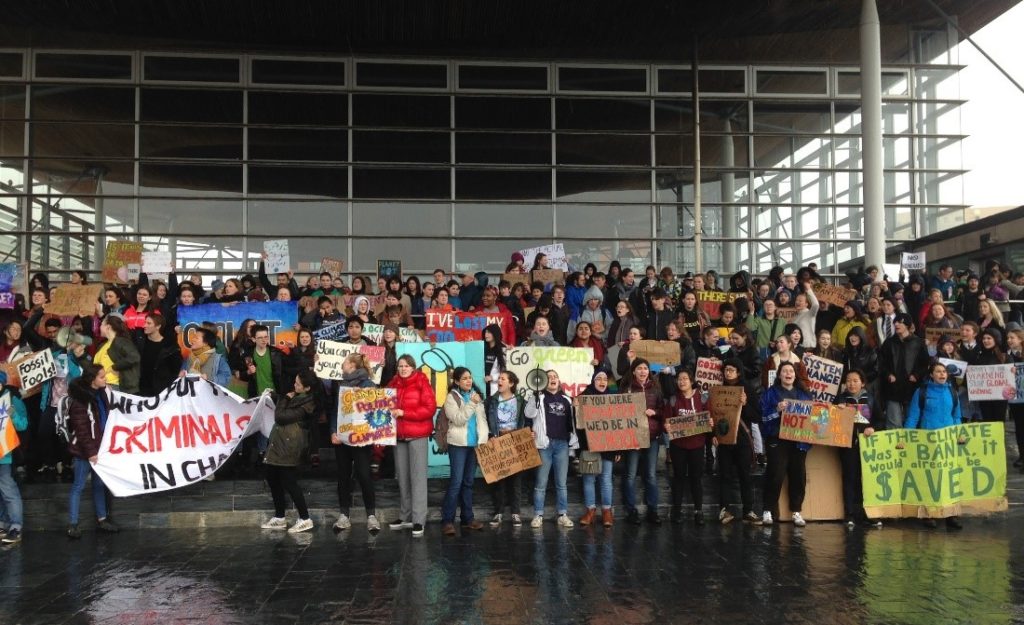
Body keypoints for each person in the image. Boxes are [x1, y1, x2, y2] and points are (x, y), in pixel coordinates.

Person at [904, 362, 965, 529]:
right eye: (938, 371)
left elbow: (957, 416)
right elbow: (913, 416)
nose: (942, 374)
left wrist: (960, 434)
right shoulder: (921, 392)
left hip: (948, 442)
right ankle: (928, 514)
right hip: (927, 441)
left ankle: (951, 514)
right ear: (931, 374)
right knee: (929, 479)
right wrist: (905, 437)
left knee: (949, 478)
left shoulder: (953, 392)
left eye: (944, 371)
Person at [260, 369, 319, 534]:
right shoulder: (296, 397)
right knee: (272, 477)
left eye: (298, 383)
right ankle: (279, 516)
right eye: (295, 381)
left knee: (289, 481)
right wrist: (275, 396)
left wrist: (284, 398)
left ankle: (305, 518)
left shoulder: (307, 404)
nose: (294, 385)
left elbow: (280, 416)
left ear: (307, 388)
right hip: (279, 443)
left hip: (289, 445)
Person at [65, 366, 119, 539]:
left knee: (98, 484)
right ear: (92, 380)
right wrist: (91, 452)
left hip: (100, 448)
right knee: (78, 485)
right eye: (102, 377)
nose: (105, 379)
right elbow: (82, 431)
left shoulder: (102, 394)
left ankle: (102, 519)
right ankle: (73, 524)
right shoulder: (80, 401)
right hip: (86, 452)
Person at [329, 354, 380, 532]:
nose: (342, 365)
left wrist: (364, 398)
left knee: (364, 475)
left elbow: (375, 409)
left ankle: (371, 516)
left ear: (351, 365)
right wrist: (333, 431)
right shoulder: (340, 384)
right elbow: (335, 409)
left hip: (361, 439)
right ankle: (344, 515)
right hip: (342, 438)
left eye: (344, 362)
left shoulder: (368, 384)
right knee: (343, 476)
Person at [387, 355, 436, 537]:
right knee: (403, 478)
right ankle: (405, 516)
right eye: (400, 366)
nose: (403, 369)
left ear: (413, 367)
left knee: (418, 479)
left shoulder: (422, 382)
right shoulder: (393, 383)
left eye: (406, 366)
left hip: (417, 435)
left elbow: (429, 408)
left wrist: (404, 413)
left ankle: (418, 520)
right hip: (398, 436)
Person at [760, 361, 813, 527]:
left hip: (798, 442)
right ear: (779, 375)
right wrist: (777, 410)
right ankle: (768, 510)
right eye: (785, 371)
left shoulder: (804, 395)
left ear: (795, 375)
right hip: (777, 439)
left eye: (791, 371)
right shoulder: (770, 394)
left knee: (798, 475)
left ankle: (796, 511)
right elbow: (762, 418)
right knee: (775, 474)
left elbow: (814, 418)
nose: (788, 373)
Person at [440, 367, 489, 536]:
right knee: (456, 482)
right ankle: (447, 520)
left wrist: (484, 438)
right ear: (456, 382)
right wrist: (472, 403)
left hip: (474, 445)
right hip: (458, 445)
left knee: (469, 482)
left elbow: (481, 420)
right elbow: (459, 419)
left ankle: (468, 518)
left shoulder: (476, 395)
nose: (469, 381)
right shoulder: (451, 398)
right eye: (464, 378)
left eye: (470, 377)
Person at [526, 369, 577, 528]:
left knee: (561, 483)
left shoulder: (567, 399)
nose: (552, 379)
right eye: (549, 377)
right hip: (544, 445)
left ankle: (562, 514)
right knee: (541, 482)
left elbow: (573, 422)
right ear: (543, 381)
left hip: (562, 444)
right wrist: (535, 396)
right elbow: (529, 414)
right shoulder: (537, 397)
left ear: (559, 380)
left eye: (555, 376)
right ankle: (538, 515)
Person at [835, 369, 882, 528]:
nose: (851, 383)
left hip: (868, 446)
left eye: (855, 380)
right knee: (849, 479)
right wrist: (836, 411)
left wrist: (873, 428)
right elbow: (828, 423)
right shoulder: (840, 399)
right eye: (848, 380)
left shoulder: (871, 399)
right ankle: (850, 515)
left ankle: (870, 514)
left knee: (868, 480)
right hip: (848, 445)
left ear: (862, 383)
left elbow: (881, 421)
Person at [715, 359, 760, 525]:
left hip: (742, 439)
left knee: (745, 475)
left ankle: (748, 510)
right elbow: (713, 413)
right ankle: (724, 510)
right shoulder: (718, 389)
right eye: (726, 370)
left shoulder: (747, 389)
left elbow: (756, 416)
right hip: (724, 438)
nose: (728, 373)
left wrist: (746, 404)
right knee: (725, 475)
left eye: (731, 370)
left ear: (738, 372)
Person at [621, 358, 665, 525]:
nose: (642, 371)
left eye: (645, 368)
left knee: (651, 475)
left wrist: (654, 412)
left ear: (649, 371)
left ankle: (653, 511)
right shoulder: (626, 390)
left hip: (652, 437)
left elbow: (663, 411)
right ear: (633, 371)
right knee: (630, 475)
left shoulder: (656, 389)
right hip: (633, 438)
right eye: (639, 368)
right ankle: (631, 511)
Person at [665, 369, 710, 525]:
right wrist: (667, 426)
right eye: (679, 379)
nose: (681, 381)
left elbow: (709, 417)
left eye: (685, 378)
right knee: (678, 478)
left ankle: (698, 511)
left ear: (691, 381)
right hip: (678, 445)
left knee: (696, 479)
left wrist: (710, 423)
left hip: (697, 445)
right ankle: (676, 510)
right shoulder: (672, 400)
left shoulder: (702, 399)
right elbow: (667, 421)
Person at [576, 369, 617, 528]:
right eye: (598, 378)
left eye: (605, 379)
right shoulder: (583, 399)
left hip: (608, 446)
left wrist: (618, 449)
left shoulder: (613, 399)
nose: (602, 381)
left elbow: (619, 426)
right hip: (589, 445)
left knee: (606, 478)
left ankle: (607, 511)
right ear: (593, 381)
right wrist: (576, 408)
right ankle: (590, 510)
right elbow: (578, 426)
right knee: (589, 478)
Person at [485, 371, 526, 527]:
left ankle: (516, 513)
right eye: (499, 378)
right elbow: (486, 420)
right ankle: (499, 513)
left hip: (515, 440)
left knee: (516, 479)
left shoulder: (520, 400)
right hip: (498, 439)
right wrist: (491, 435)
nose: (499, 381)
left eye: (503, 379)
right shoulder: (492, 401)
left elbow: (525, 419)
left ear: (511, 383)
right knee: (499, 478)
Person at [878, 313, 930, 429]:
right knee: (894, 423)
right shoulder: (889, 343)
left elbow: (925, 364)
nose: (896, 324)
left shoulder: (919, 342)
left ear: (907, 325)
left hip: (911, 387)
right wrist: (888, 375)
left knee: (911, 421)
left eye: (900, 322)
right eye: (895, 322)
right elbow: (881, 363)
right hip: (892, 387)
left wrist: (916, 375)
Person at [0, 373, 28, 544]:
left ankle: (16, 527)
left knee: (8, 489)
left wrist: (11, 413)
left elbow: (23, 425)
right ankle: (3, 523)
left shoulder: (11, 401)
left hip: (5, 455)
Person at [138, 314, 182, 396]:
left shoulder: (170, 347)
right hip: (141, 388)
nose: (144, 325)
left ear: (158, 326)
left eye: (149, 323)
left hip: (160, 391)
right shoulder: (140, 341)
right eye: (145, 322)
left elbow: (175, 370)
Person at [94, 316, 140, 393]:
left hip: (113, 386)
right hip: (101, 385)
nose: (99, 327)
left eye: (101, 324)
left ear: (108, 327)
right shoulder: (103, 345)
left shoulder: (121, 342)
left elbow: (134, 357)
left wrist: (114, 367)